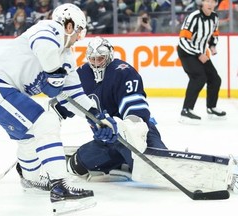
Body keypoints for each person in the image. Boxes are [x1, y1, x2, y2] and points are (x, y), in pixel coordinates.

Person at [0, 3, 118, 214]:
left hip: (2, 95)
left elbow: (74, 96)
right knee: (46, 122)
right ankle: (60, 187)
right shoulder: (49, 28)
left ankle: (31, 179)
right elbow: (45, 48)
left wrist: (97, 116)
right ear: (69, 26)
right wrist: (54, 72)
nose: (79, 38)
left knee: (30, 136)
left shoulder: (66, 56)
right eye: (79, 31)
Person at [51, 36, 167, 179]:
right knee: (77, 167)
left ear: (109, 56)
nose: (96, 63)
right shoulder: (81, 74)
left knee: (157, 167)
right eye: (92, 59)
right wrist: (45, 128)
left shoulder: (124, 72)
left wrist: (125, 128)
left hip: (137, 136)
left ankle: (129, 159)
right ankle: (121, 162)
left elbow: (136, 112)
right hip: (105, 140)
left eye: (100, 58)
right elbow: (62, 106)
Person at [177, 0, 226, 124]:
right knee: (199, 77)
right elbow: (183, 39)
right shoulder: (194, 17)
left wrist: (213, 45)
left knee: (215, 79)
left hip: (200, 53)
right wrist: (198, 53)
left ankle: (211, 108)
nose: (210, 4)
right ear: (202, 3)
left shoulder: (214, 17)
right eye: (207, 1)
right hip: (186, 52)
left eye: (212, 1)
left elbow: (214, 34)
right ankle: (186, 110)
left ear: (215, 4)